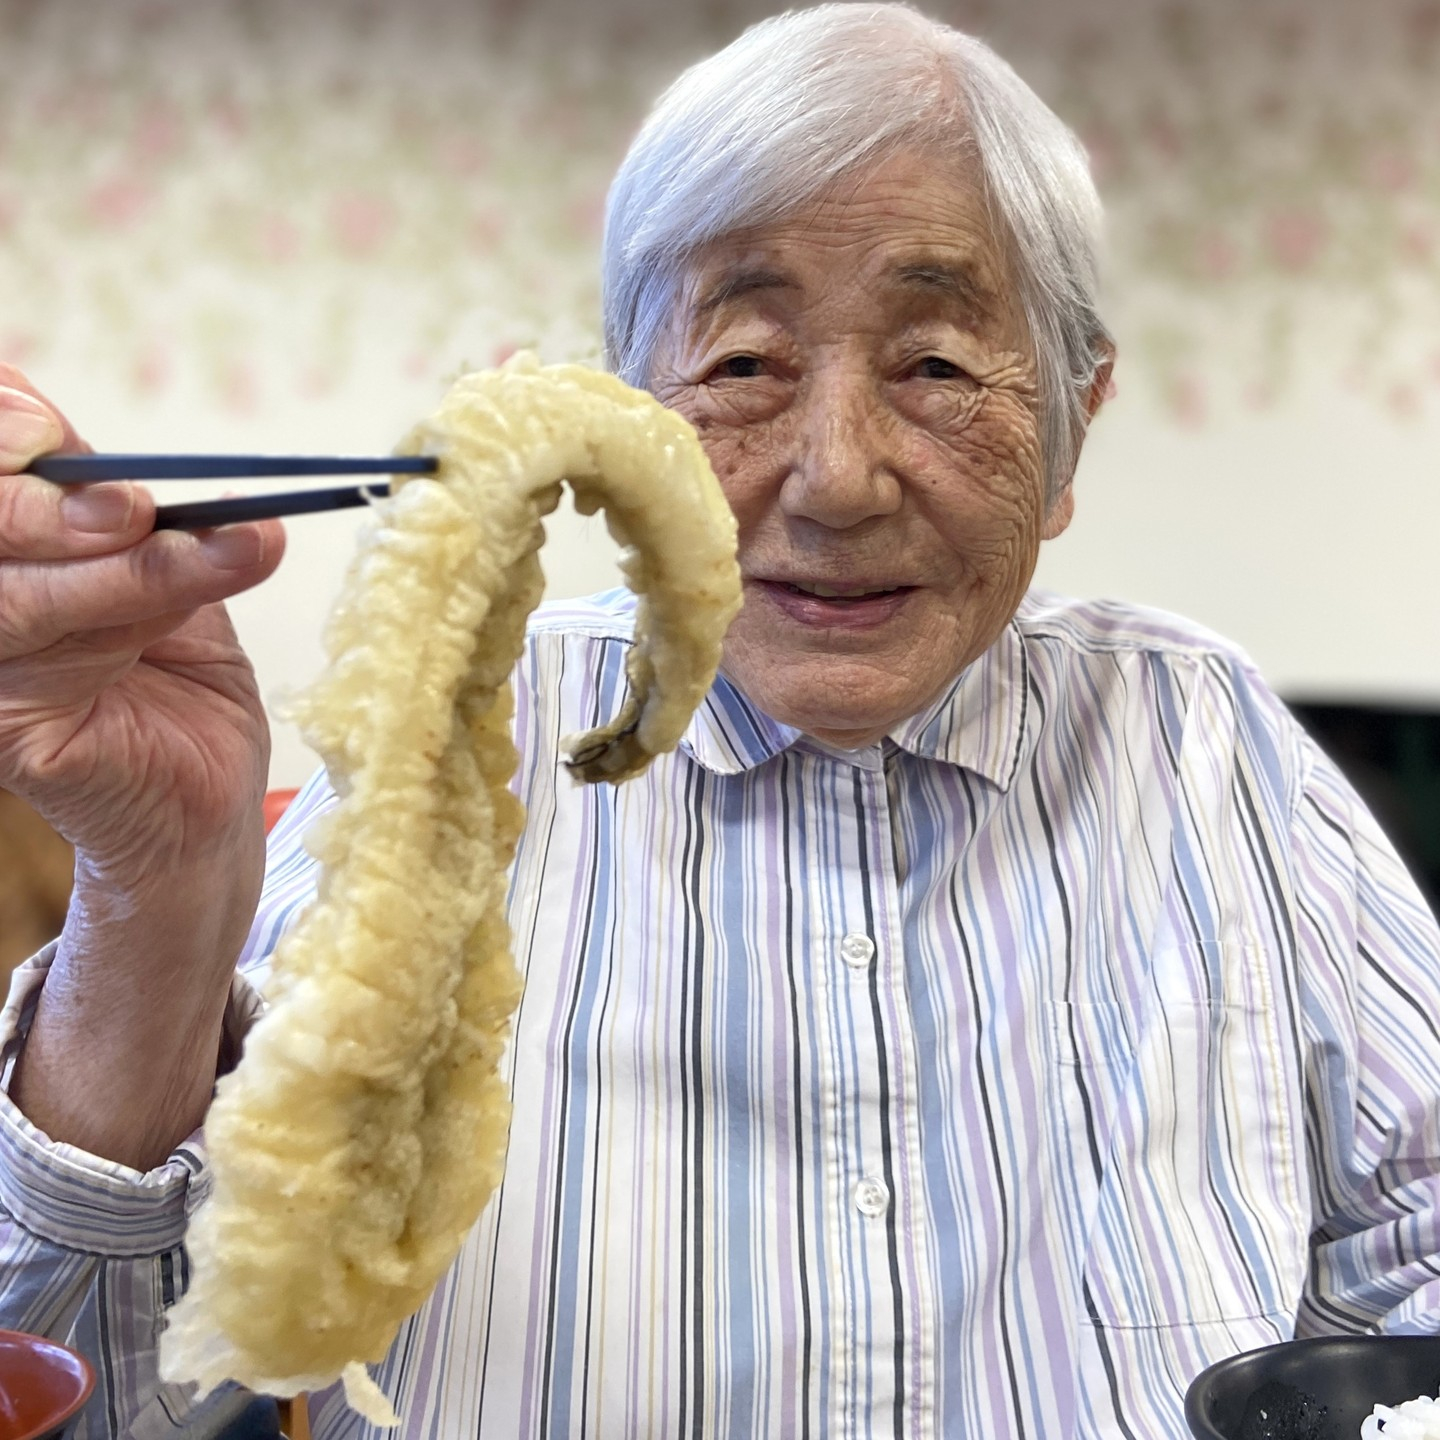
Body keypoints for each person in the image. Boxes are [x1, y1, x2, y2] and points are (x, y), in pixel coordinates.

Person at [1, 5, 1437, 1437]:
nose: (836, 479)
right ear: (631, 429)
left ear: (1071, 429)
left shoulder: (1199, 737)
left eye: (936, 366)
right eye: (744, 365)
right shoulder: (464, 744)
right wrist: (156, 897)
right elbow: (115, 1396)